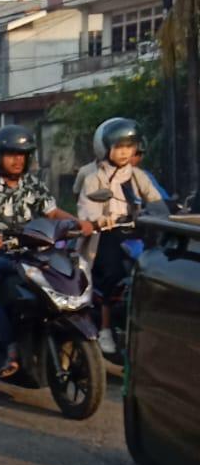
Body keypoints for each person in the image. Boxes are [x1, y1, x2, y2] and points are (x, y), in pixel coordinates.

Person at [0, 125, 93, 377]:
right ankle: (8, 345)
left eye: (22, 155)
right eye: (11, 154)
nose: (18, 160)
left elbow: (52, 213)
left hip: (31, 254)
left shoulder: (34, 185)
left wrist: (77, 223)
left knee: (61, 279)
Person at [74, 117, 162, 354]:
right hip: (106, 235)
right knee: (112, 273)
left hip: (136, 232)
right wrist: (100, 219)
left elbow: (154, 198)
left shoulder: (137, 175)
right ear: (105, 148)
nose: (125, 153)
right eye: (119, 147)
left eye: (129, 147)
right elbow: (87, 207)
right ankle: (104, 329)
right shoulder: (94, 177)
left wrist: (164, 211)